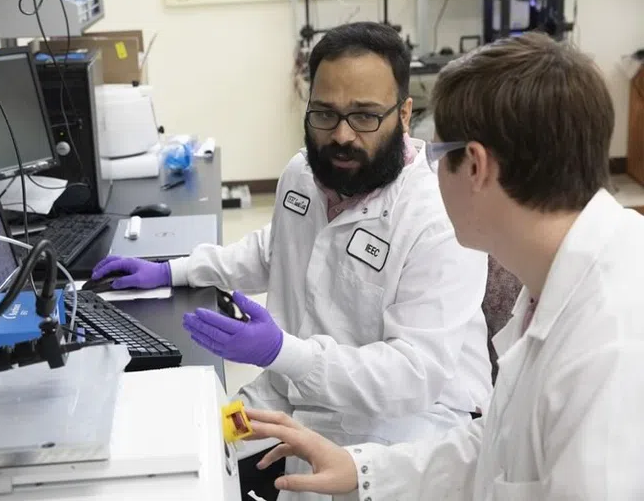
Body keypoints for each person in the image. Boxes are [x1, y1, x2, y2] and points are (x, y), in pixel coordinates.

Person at [92, 22, 492, 500]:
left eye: (365, 116)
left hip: (407, 427)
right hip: (296, 394)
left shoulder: (437, 218)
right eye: (325, 113)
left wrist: (280, 351)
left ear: (404, 113)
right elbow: (276, 246)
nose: (341, 135)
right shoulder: (303, 175)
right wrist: (174, 270)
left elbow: (412, 378)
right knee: (187, 446)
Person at [243, 32, 644, 500]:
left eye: (435, 155)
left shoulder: (611, 343)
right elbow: (498, 445)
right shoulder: (554, 283)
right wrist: (363, 469)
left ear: (474, 166)